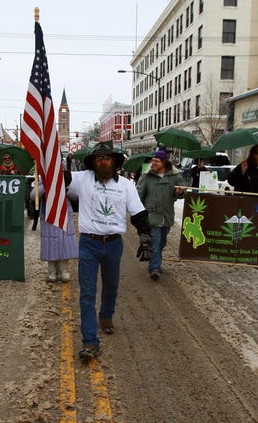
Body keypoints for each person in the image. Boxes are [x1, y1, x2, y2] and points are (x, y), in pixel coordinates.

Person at [67, 142, 153, 361]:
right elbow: (61, 178)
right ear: (93, 163)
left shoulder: (126, 185)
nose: (103, 161)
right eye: (98, 158)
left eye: (107, 157)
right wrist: (48, 162)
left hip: (114, 244)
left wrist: (145, 237)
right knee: (87, 293)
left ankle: (106, 316)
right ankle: (90, 342)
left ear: (114, 162)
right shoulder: (83, 179)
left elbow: (138, 212)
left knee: (111, 286)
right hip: (89, 243)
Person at [136, 150, 185, 280]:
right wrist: (138, 212)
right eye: (153, 160)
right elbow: (139, 194)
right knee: (156, 242)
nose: (153, 163)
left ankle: (155, 261)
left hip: (167, 215)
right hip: (151, 216)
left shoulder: (175, 176)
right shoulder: (147, 176)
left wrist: (180, 192)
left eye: (156, 161)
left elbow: (180, 193)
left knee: (162, 242)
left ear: (164, 162)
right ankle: (155, 268)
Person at [30, 179, 78, 282]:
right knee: (50, 243)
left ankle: (64, 270)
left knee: (63, 243)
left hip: (63, 216)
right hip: (49, 216)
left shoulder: (65, 178)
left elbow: (75, 195)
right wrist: (46, 186)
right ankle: (52, 271)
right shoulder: (43, 179)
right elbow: (33, 196)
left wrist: (65, 186)